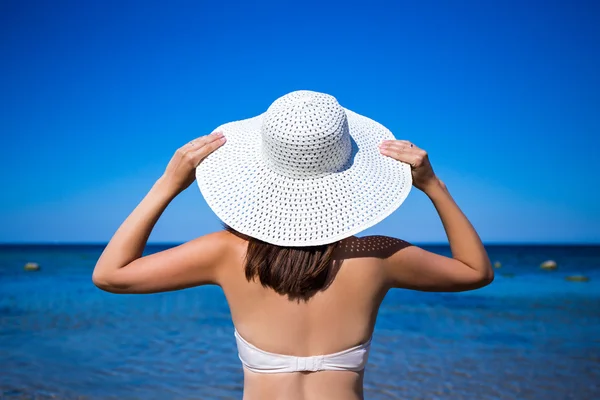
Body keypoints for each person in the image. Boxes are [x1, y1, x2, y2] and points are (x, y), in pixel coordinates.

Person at [93, 90, 494, 400]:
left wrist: (168, 184)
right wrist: (432, 186)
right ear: (348, 179)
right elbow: (476, 272)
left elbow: (111, 275)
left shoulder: (226, 253)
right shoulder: (378, 256)